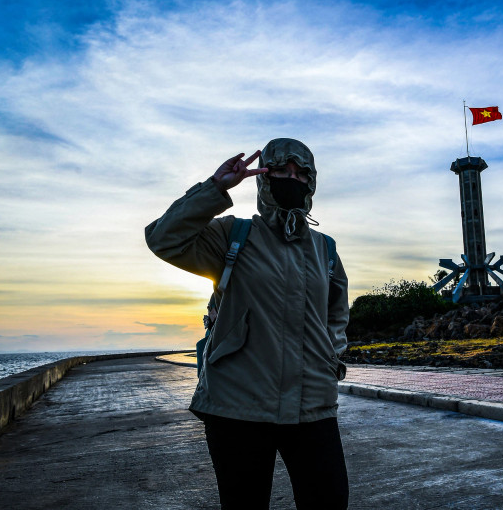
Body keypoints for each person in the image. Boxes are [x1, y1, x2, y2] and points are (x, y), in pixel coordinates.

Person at [145, 138, 350, 509]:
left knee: (330, 500)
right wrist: (216, 188)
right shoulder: (230, 235)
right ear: (263, 177)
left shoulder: (325, 249)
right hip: (237, 407)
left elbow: (336, 314)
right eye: (282, 171)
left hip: (313, 405)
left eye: (302, 173)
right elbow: (163, 239)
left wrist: (331, 362)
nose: (294, 179)